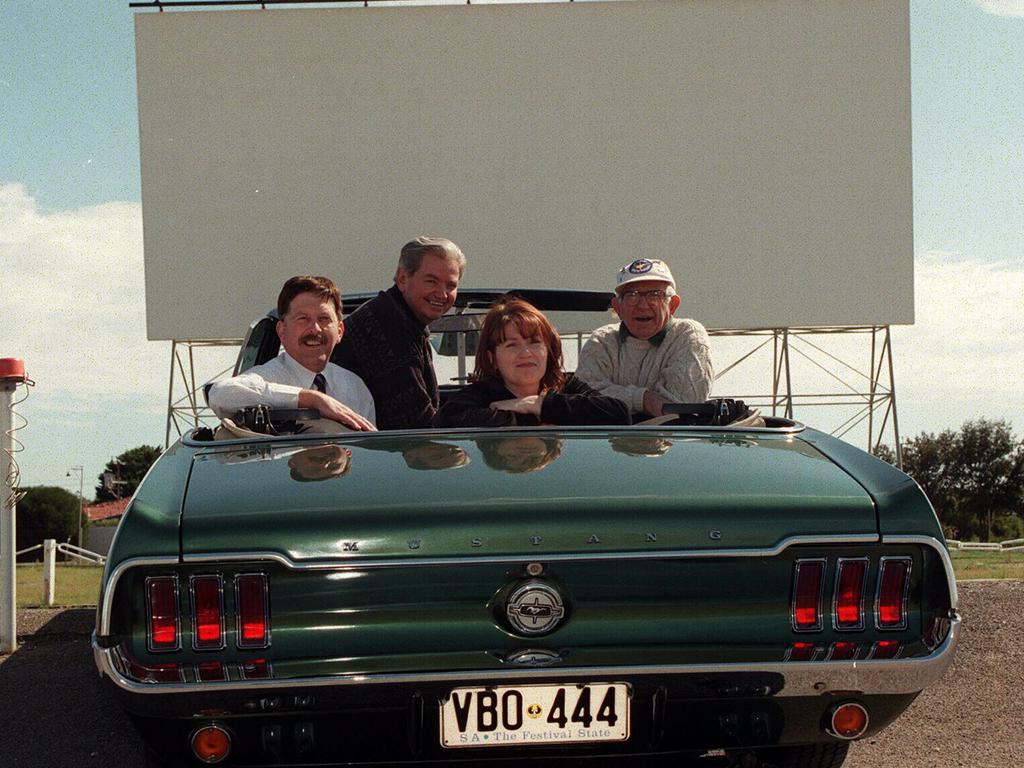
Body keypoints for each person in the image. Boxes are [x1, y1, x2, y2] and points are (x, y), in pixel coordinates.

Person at [208, 276, 376, 431]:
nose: (315, 329)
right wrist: (310, 399)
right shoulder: (268, 377)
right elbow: (220, 394)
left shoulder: (355, 387)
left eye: (324, 319)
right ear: (282, 330)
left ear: (339, 331)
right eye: (303, 319)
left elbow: (370, 452)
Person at [332, 236, 466, 430]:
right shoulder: (389, 328)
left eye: (451, 286)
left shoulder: (396, 316)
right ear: (403, 278)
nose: (442, 294)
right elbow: (419, 428)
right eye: (431, 281)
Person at [436, 297, 631, 428]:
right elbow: (447, 421)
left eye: (535, 343)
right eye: (512, 345)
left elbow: (618, 414)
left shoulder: (567, 385)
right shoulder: (478, 396)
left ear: (548, 350)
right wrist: (530, 420)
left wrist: (540, 405)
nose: (526, 353)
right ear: (492, 358)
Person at [576, 258, 713, 419]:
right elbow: (581, 401)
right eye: (632, 295)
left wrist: (615, 400)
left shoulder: (689, 334)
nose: (642, 305)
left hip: (673, 442)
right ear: (617, 307)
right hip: (609, 442)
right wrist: (643, 399)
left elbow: (680, 407)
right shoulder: (601, 341)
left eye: (654, 295)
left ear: (673, 305)